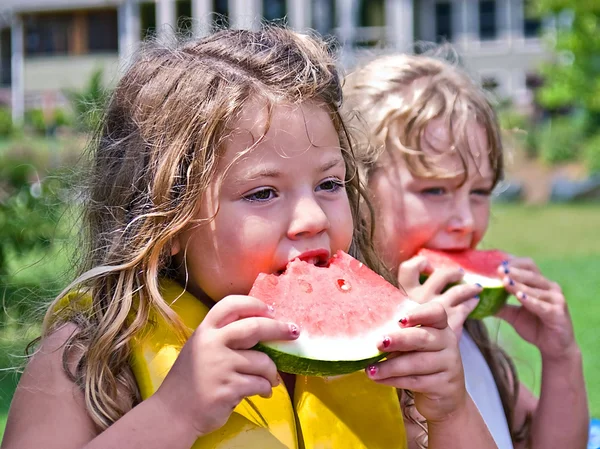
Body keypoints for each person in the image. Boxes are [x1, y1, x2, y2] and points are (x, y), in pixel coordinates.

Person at [1, 28, 497, 449]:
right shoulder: (89, 357)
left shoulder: (383, 355)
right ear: (167, 219)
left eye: (329, 184)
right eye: (262, 193)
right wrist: (175, 414)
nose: (310, 218)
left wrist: (451, 410)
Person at [344, 51, 589, 449]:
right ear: (358, 188)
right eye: (435, 190)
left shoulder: (469, 336)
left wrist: (561, 356)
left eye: (479, 192)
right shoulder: (348, 361)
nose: (467, 222)